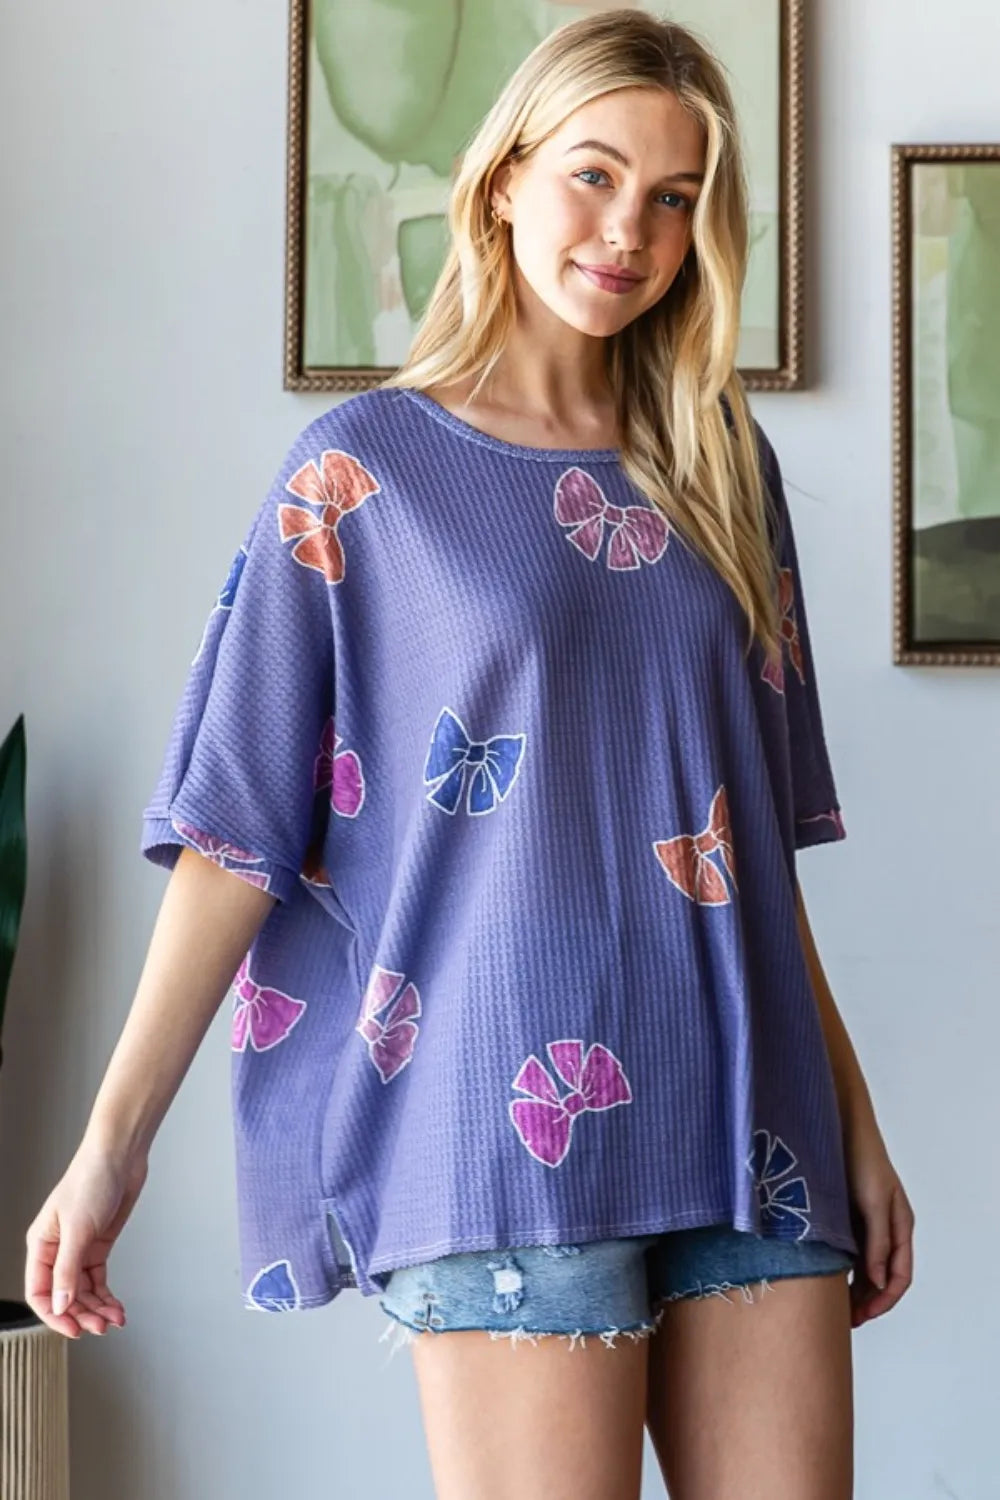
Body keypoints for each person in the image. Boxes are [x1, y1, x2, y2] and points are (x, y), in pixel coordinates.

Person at [25, 9, 914, 1497]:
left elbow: (745, 845)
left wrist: (856, 1127)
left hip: (748, 1120)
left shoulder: (722, 463)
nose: (628, 230)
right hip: (503, 1125)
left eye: (675, 195)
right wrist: (110, 1146)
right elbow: (236, 834)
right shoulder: (359, 473)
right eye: (593, 174)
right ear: (502, 180)